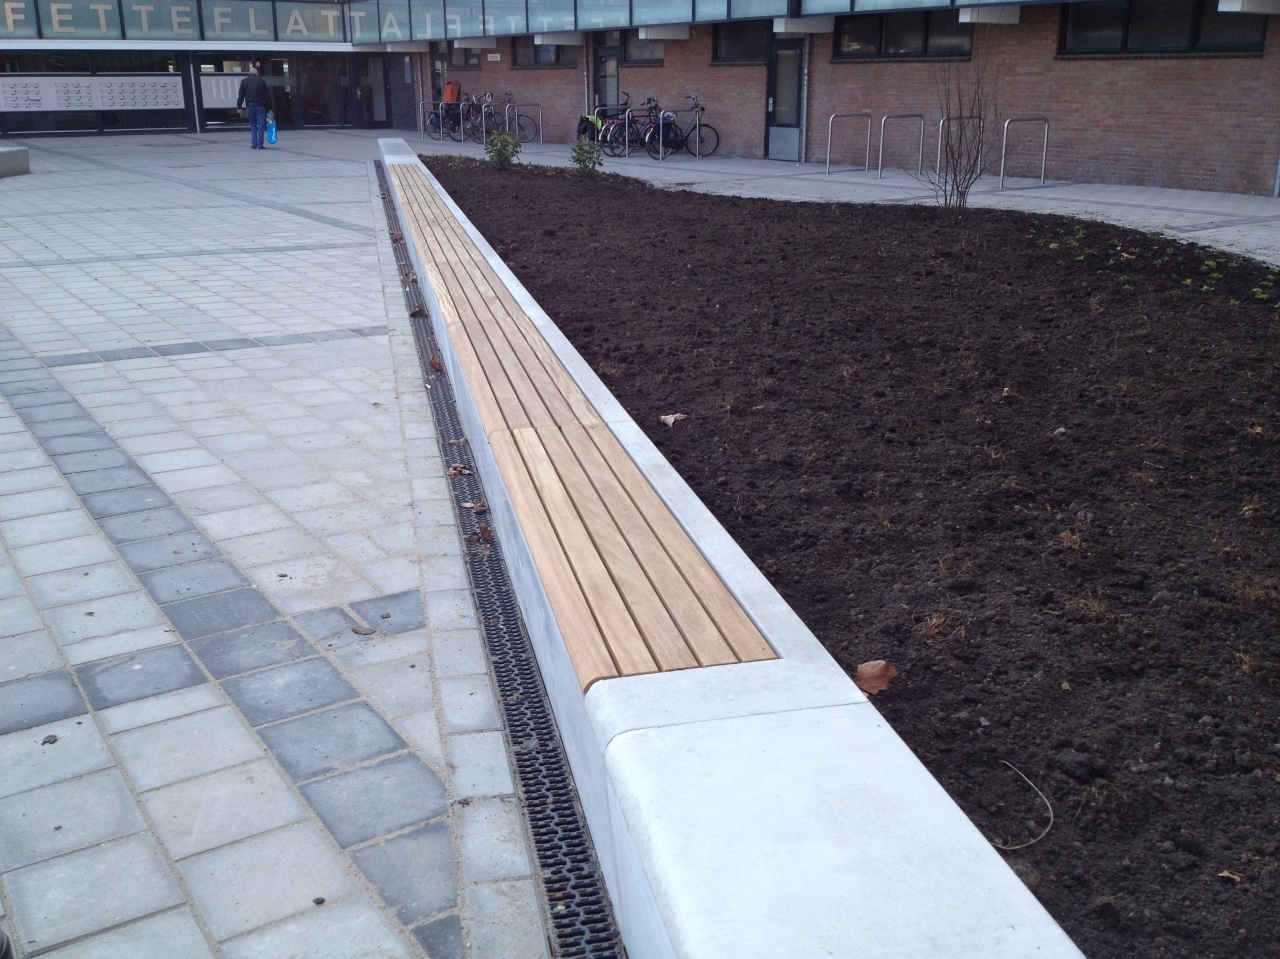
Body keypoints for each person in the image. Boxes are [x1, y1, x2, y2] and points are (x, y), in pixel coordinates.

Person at [236, 66, 273, 150]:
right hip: (260, 106)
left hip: (249, 106)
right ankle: (260, 144)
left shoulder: (244, 81)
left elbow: (241, 95)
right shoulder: (260, 81)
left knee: (253, 124)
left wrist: (239, 106)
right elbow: (266, 95)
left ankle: (254, 143)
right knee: (261, 125)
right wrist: (269, 107)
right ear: (256, 73)